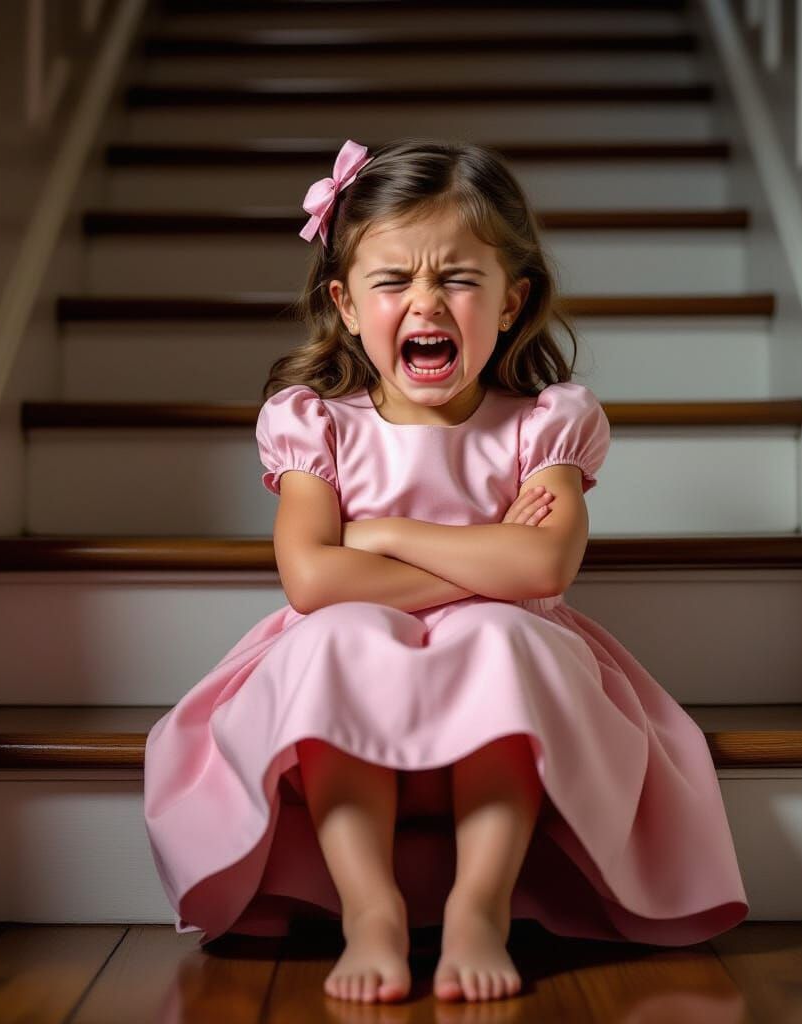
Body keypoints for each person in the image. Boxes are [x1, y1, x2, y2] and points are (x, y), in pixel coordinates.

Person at [143, 137, 749, 1006]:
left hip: (509, 689)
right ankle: (370, 909)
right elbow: (313, 583)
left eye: (459, 278)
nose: (425, 301)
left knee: (500, 629)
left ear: (512, 302)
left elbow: (544, 564)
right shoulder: (316, 424)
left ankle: (480, 903)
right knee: (341, 633)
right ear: (347, 306)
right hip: (349, 690)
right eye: (393, 282)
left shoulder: (546, 423)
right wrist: (486, 557)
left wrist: (382, 532)